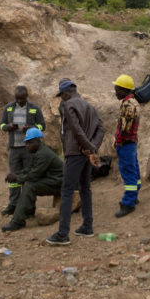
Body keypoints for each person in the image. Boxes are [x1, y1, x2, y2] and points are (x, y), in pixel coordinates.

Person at [46, 79, 104, 246]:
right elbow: (101, 128)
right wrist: (92, 148)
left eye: (61, 96)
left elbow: (76, 130)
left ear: (65, 93)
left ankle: (63, 233)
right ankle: (87, 226)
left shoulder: (68, 105)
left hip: (74, 152)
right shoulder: (89, 106)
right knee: (85, 188)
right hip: (86, 153)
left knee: (67, 191)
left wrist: (88, 148)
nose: (62, 99)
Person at [0, 127, 63, 232]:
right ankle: (28, 212)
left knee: (30, 185)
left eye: (29, 143)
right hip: (54, 180)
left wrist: (16, 178)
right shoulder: (40, 151)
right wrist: (16, 174)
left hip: (59, 182)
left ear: (37, 141)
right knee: (28, 183)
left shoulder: (43, 154)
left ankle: (17, 222)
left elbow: (34, 175)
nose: (27, 146)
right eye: (26, 143)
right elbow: (30, 169)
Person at [0, 86, 46, 216]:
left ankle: (28, 207)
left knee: (28, 177)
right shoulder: (8, 108)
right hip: (14, 148)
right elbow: (1, 125)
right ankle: (13, 205)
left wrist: (31, 127)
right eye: (17, 99)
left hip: (29, 149)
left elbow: (42, 125)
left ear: (26, 97)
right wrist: (8, 127)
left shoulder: (34, 108)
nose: (19, 101)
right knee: (14, 176)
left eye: (22, 99)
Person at [112, 74, 141, 218]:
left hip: (126, 144)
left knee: (128, 172)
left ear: (123, 90)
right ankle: (134, 195)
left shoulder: (127, 104)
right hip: (131, 142)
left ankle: (128, 203)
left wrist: (118, 141)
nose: (115, 92)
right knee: (134, 170)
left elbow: (125, 128)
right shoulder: (133, 102)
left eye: (117, 89)